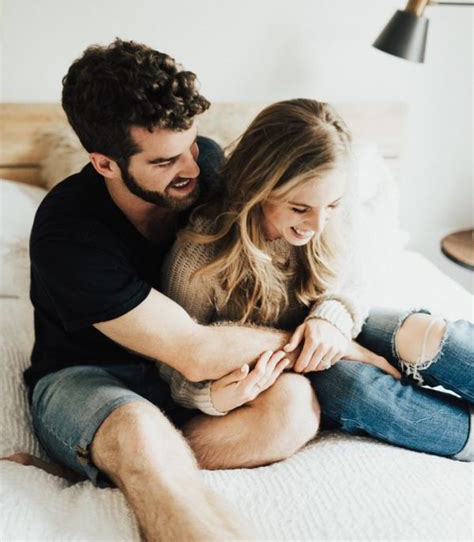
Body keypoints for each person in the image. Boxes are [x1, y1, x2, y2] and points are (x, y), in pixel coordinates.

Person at [6, 39, 332, 541]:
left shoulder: (208, 166)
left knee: (293, 407)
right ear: (105, 164)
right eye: (164, 162)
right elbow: (197, 353)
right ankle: (135, 462)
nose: (194, 170)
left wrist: (331, 316)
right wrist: (331, 338)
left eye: (192, 146)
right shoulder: (66, 230)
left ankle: (109, 468)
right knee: (138, 429)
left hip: (194, 383)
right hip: (91, 376)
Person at [157, 98, 474, 465]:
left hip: (329, 327)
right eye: (299, 208)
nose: (318, 224)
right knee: (354, 386)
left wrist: (330, 319)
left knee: (428, 335)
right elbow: (174, 364)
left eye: (333, 206)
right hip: (269, 365)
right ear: (256, 188)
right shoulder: (199, 258)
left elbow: (358, 277)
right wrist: (212, 397)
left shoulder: (330, 206)